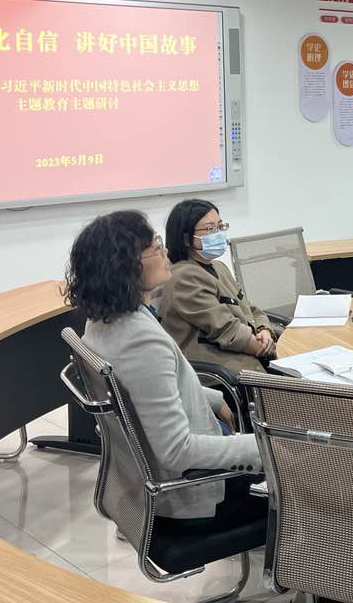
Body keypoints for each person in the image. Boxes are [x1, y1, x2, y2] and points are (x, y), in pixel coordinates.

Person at [65, 209, 262, 524]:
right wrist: (263, 448)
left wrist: (213, 399)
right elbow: (177, 451)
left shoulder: (104, 320)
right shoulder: (141, 342)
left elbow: (150, 391)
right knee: (316, 467)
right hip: (195, 491)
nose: (165, 251)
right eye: (156, 247)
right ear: (129, 264)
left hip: (168, 478)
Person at [159, 199, 275, 376]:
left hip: (247, 356)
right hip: (220, 372)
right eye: (210, 229)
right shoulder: (184, 277)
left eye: (220, 226)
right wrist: (266, 348)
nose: (219, 234)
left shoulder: (218, 267)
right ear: (186, 238)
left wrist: (264, 330)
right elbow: (225, 330)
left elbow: (249, 308)